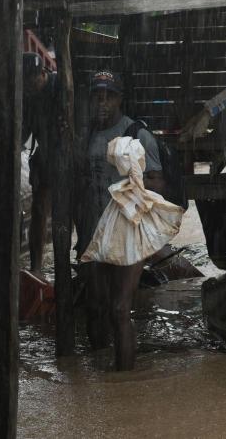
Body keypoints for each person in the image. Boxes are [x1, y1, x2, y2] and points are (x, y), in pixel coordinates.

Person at [75, 70, 165, 371]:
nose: (102, 102)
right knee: (95, 306)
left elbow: (157, 185)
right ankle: (101, 375)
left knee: (119, 308)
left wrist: (129, 187)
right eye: (97, 96)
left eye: (108, 96)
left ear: (120, 100)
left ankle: (124, 385)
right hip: (94, 232)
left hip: (128, 233)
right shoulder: (85, 134)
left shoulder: (137, 136)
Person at [22, 52, 62, 277]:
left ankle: (83, 260)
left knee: (71, 210)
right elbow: (23, 132)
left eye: (31, 82)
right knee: (38, 209)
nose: (29, 88)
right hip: (44, 156)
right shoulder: (28, 97)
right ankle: (36, 267)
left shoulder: (60, 87)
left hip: (67, 155)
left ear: (42, 74)